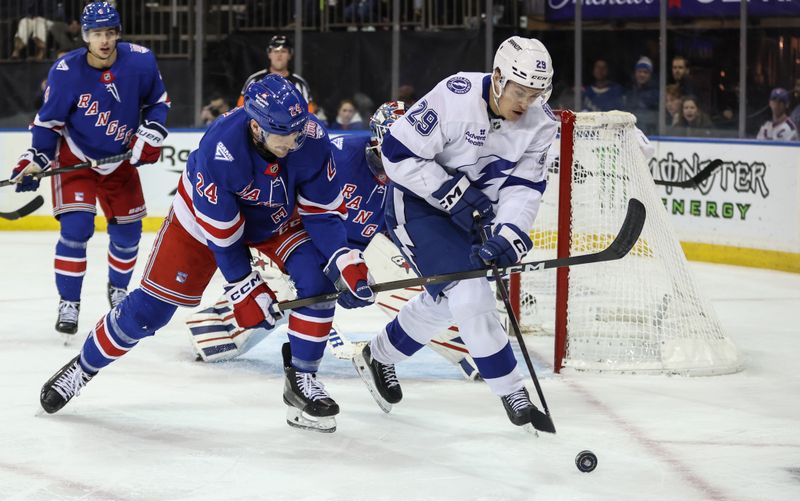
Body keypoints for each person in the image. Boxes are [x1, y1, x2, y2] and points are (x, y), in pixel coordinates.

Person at [38, 74, 375, 435]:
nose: (294, 140)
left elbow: (322, 212)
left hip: (275, 218)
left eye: (298, 128)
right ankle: (84, 367)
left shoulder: (308, 137)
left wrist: (344, 258)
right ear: (257, 127)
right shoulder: (222, 149)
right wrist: (244, 288)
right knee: (149, 312)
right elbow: (224, 236)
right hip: (200, 224)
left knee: (317, 279)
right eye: (283, 132)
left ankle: (302, 382)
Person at [186, 101, 483, 380]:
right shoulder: (339, 154)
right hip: (297, 239)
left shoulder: (417, 175)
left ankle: (472, 348)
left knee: (410, 280)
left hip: (352, 251)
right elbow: (300, 208)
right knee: (290, 291)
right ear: (380, 140)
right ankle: (217, 328)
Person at [351, 36, 558, 427]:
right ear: (498, 77)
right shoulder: (455, 94)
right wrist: (454, 194)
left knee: (449, 299)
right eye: (520, 91)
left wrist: (510, 232)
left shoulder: (541, 122)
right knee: (468, 290)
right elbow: (396, 154)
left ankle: (379, 356)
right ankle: (513, 391)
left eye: (535, 93)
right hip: (417, 206)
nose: (526, 102)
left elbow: (525, 187)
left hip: (476, 213)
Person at [9, 2, 170, 338]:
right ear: (85, 35)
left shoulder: (140, 61)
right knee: (76, 229)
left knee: (128, 234)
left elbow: (158, 102)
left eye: (110, 32)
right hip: (75, 158)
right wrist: (36, 158)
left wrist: (152, 132)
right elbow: (48, 122)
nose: (104, 40)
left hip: (119, 160)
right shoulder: (66, 71)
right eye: (97, 33)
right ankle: (69, 302)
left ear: (118, 33)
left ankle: (118, 289)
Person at [236, 35, 316, 114]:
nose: (279, 55)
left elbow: (309, 113)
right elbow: (240, 108)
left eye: (283, 51)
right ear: (269, 54)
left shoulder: (300, 84)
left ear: (290, 55)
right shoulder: (254, 80)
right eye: (276, 51)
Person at [625, 56, 658, 135]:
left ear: (650, 74)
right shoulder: (629, 92)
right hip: (630, 135)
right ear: (635, 73)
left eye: (645, 72)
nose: (642, 74)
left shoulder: (656, 94)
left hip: (649, 135)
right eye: (639, 71)